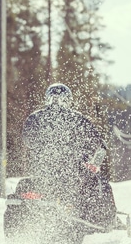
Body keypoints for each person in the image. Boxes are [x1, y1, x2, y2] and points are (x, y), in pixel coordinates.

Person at [21, 83, 117, 231]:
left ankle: (100, 218)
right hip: (71, 172)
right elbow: (98, 142)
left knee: (25, 187)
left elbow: (27, 140)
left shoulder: (35, 118)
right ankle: (107, 220)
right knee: (100, 182)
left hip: (44, 172)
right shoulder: (77, 118)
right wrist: (95, 157)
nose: (56, 102)